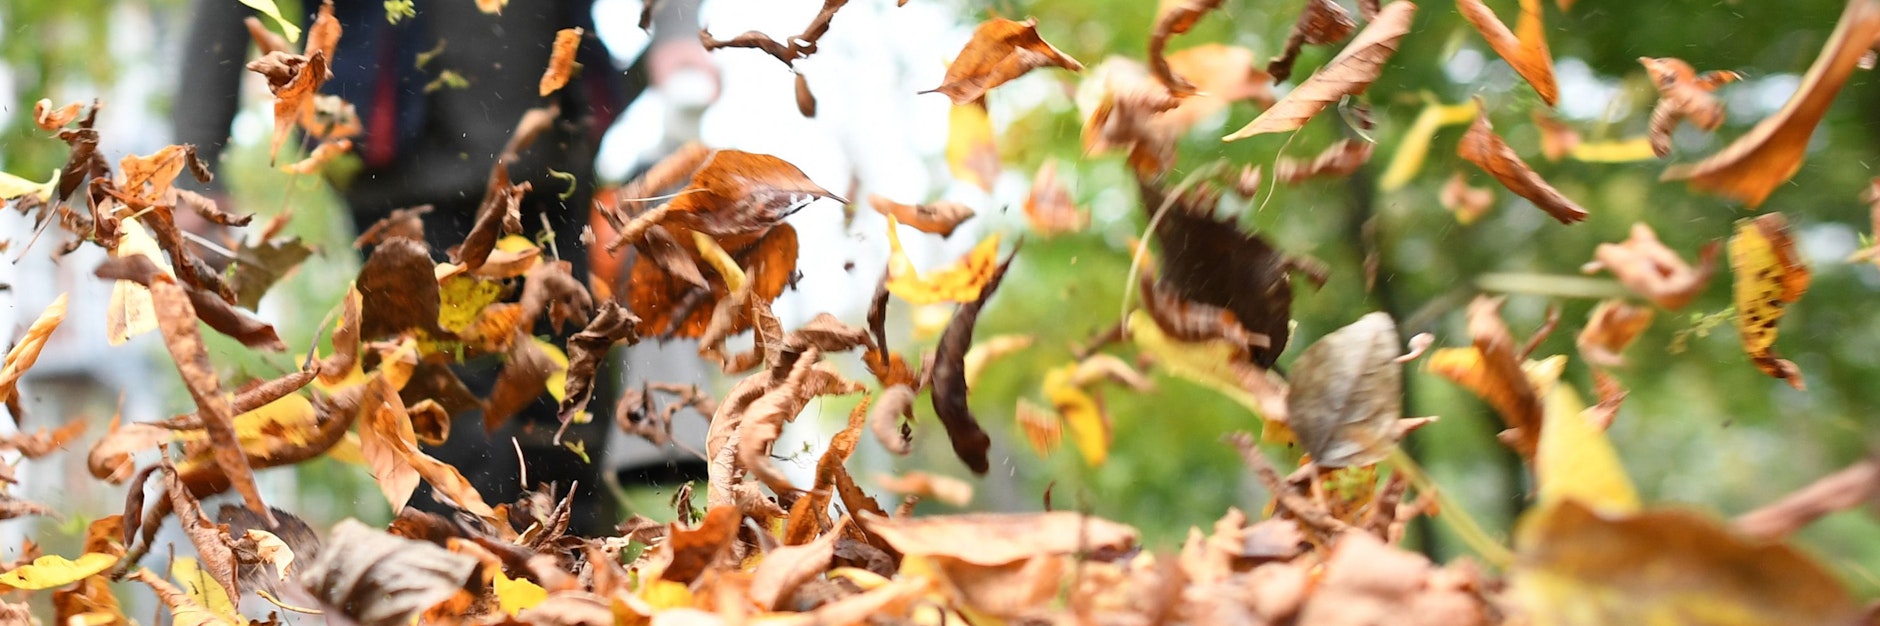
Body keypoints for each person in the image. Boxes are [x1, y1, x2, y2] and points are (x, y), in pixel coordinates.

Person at [174, 0, 713, 535]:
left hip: (553, 164)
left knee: (568, 437)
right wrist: (196, 167)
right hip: (404, 173)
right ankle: (473, 600)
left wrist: (677, 29)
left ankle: (574, 600)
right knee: (460, 447)